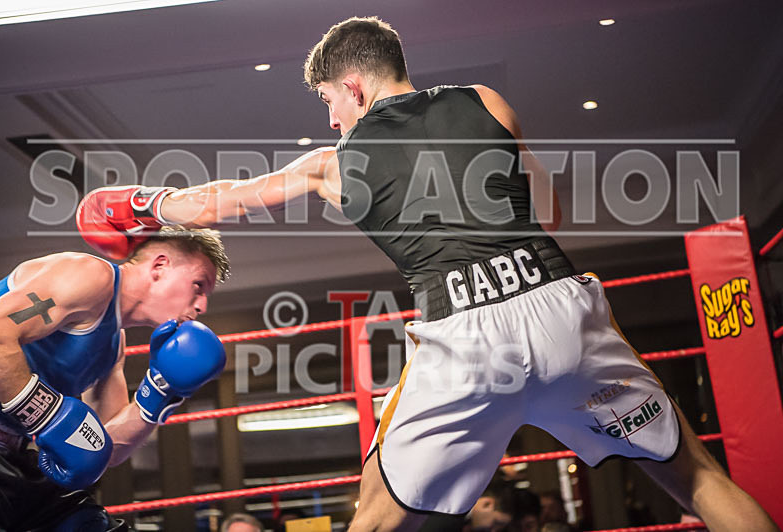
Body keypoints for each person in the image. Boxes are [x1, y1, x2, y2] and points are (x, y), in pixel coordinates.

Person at [75, 16, 779, 532]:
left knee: (377, 518)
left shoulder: (332, 164)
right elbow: (553, 212)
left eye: (328, 102)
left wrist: (139, 204)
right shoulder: (486, 101)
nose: (329, 120)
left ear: (352, 85)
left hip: (465, 333)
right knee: (695, 476)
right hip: (560, 303)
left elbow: (219, 202)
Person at [0, 227, 229, 530]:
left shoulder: (114, 345)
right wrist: (48, 416)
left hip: (11, 461)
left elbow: (103, 445)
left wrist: (161, 391)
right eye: (198, 285)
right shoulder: (89, 276)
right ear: (160, 266)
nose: (202, 305)